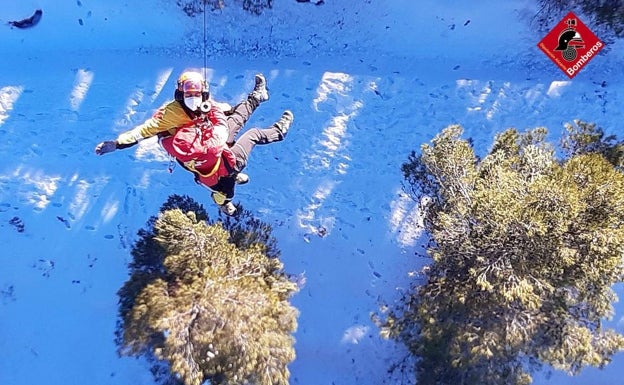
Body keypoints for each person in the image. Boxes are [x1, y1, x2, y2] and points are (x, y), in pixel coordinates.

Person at [95, 70, 293, 216]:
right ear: (180, 95)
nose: (193, 98)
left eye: (196, 94)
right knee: (225, 177)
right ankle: (226, 197)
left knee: (238, 117)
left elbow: (219, 112)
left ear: (203, 94)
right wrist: (118, 143)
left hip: (210, 139)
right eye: (188, 95)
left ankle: (257, 97)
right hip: (205, 148)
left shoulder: (204, 105)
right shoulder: (170, 114)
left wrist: (221, 111)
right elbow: (145, 129)